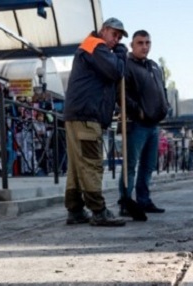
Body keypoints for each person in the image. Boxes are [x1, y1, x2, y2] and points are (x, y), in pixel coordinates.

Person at [63, 17, 129, 226]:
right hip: (85, 116)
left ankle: (75, 210)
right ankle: (98, 211)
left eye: (119, 38)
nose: (116, 40)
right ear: (103, 30)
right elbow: (116, 71)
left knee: (76, 166)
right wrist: (121, 54)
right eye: (114, 35)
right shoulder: (96, 46)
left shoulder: (94, 48)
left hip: (78, 115)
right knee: (91, 163)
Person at [118, 29, 170, 217]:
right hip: (136, 124)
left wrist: (165, 105)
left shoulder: (154, 66)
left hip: (154, 124)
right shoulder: (126, 64)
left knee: (148, 166)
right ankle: (126, 203)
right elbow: (121, 93)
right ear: (132, 44)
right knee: (130, 165)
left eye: (147, 43)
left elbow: (161, 88)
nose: (144, 46)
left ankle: (143, 200)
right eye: (140, 43)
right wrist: (137, 110)